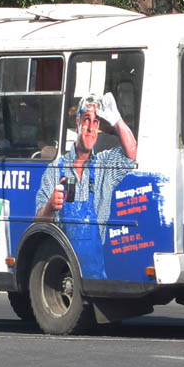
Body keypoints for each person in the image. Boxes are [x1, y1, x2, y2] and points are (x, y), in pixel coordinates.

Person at [35, 92, 138, 278]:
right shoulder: (55, 169)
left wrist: (116, 121)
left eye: (96, 122)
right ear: (77, 124)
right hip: (64, 273)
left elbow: (131, 153)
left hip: (98, 275)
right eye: (86, 120)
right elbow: (39, 223)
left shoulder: (104, 166)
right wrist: (50, 207)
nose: (91, 127)